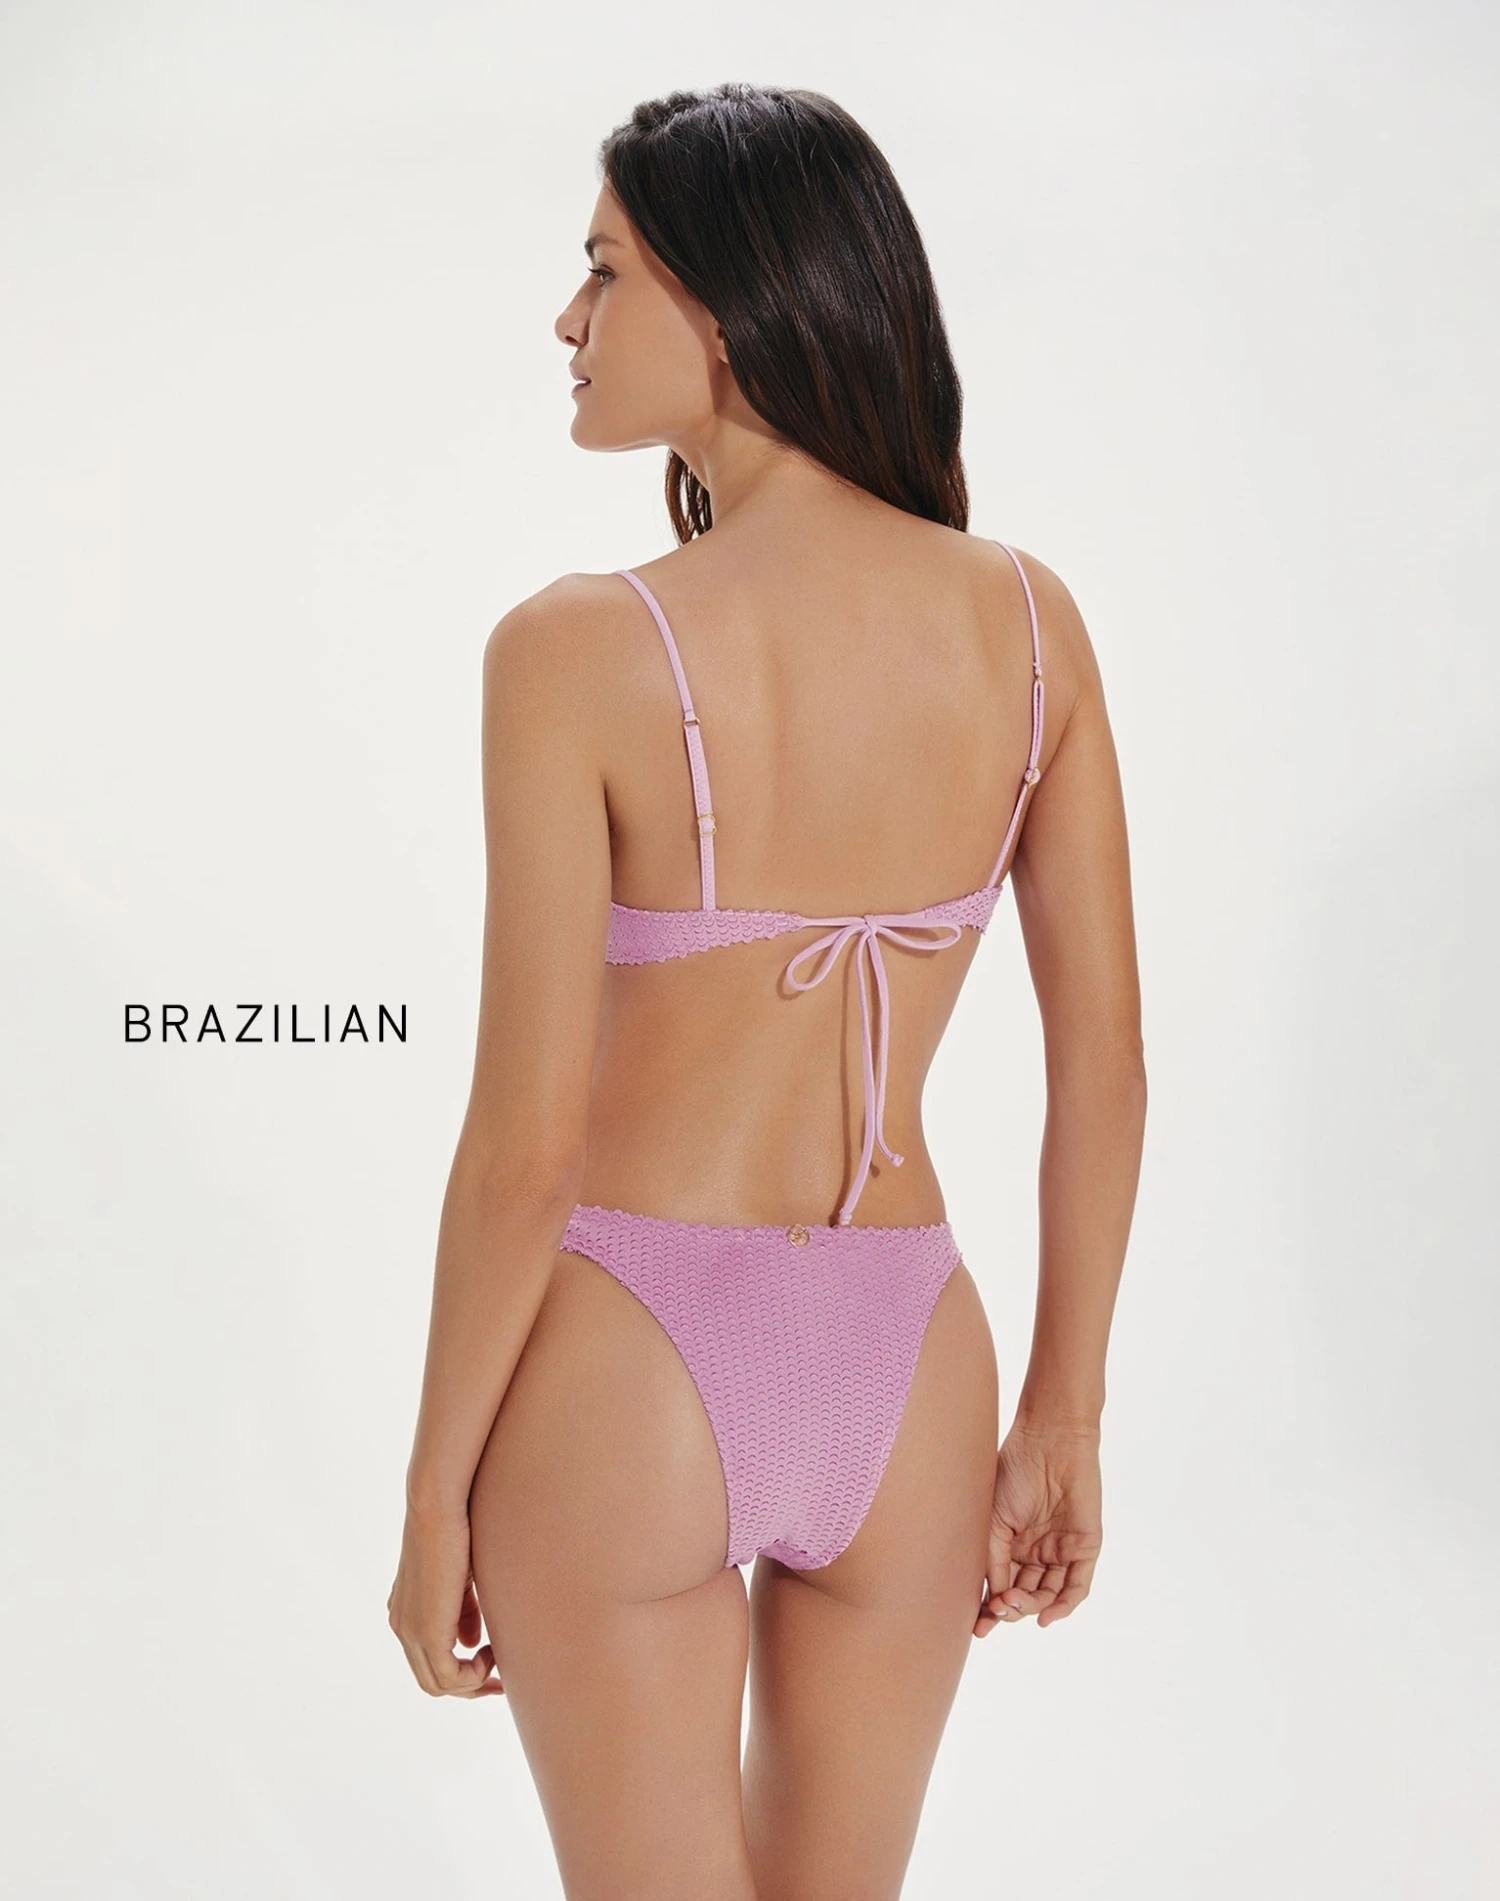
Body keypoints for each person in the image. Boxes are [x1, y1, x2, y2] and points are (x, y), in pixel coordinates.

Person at [387, 81, 1146, 1901]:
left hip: (630, 1353)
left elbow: (525, 1149)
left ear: (729, 304)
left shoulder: (578, 649)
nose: (567, 320)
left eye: (603, 272)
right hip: (915, 1354)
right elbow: (1107, 1070)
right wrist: (1062, 1418)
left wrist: (431, 1494)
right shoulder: (1029, 625)